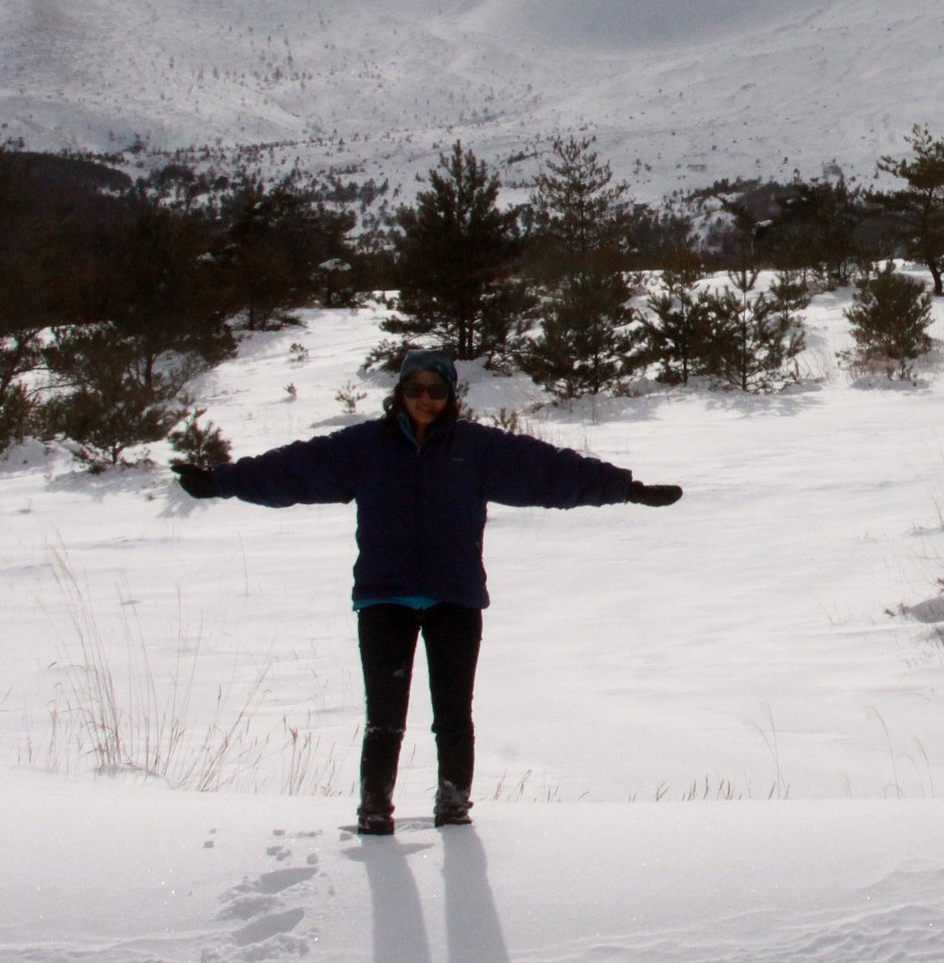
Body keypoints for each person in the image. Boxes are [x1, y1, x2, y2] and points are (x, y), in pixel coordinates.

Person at [172, 348, 682, 835]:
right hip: (384, 599)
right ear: (399, 392)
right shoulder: (363, 449)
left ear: (450, 395)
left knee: (454, 715)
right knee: (385, 718)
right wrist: (221, 482)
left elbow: (549, 471)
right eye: (415, 388)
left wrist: (627, 489)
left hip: (454, 599)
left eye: (436, 390)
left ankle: (454, 811)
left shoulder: (479, 449)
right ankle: (375, 813)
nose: (425, 399)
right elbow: (294, 470)